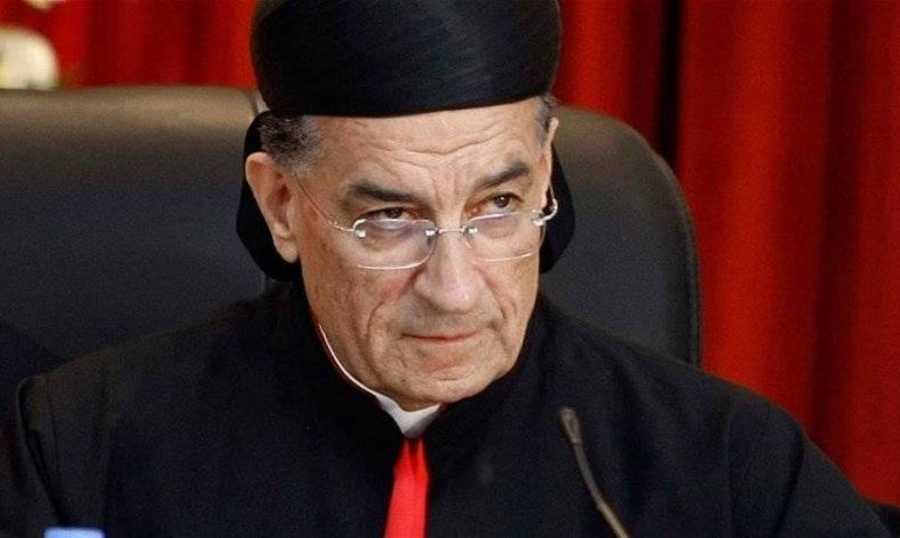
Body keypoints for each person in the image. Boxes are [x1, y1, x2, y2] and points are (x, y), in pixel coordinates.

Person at [0, 1, 890, 536]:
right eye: (391, 218)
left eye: (500, 205)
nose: (456, 291)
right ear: (281, 206)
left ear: (546, 171)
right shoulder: (81, 448)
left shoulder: (726, 467)